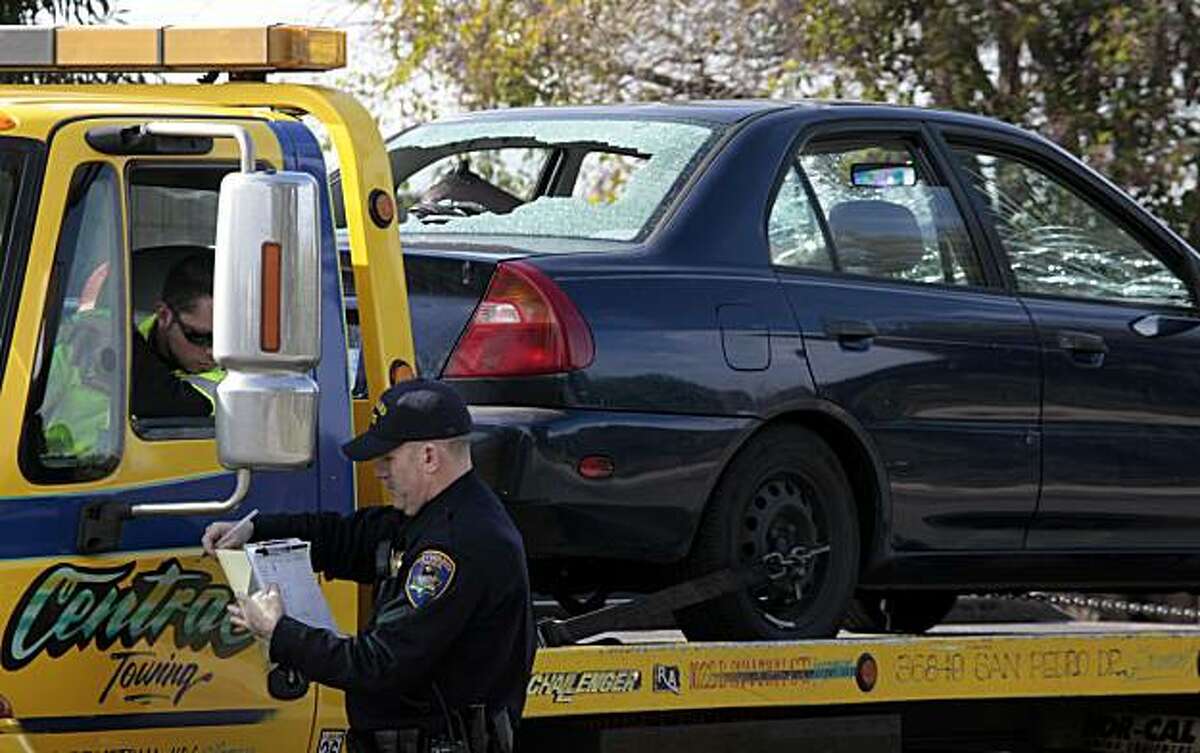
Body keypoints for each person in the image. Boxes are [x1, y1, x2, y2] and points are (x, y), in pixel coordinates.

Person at [204, 379, 535, 753]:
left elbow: (378, 665)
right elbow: (347, 537)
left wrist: (279, 632)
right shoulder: (434, 516)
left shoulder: (455, 546)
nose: (379, 472)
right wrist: (255, 529)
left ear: (428, 457)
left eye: (388, 458)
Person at [131, 252, 224, 419]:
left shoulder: (234, 376)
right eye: (200, 337)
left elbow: (169, 402)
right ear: (164, 315)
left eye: (224, 340)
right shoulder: (95, 333)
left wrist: (122, 345)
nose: (213, 352)